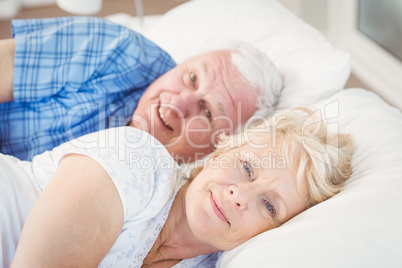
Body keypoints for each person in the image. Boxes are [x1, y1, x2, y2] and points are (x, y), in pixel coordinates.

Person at [1, 107, 353, 267]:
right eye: (246, 167)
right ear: (222, 150)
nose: (239, 196)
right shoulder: (139, 161)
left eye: (270, 206)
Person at [0, 16, 283, 163]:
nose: (180, 102)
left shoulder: (179, 198)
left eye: (208, 111)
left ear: (218, 147)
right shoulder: (118, 50)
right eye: (193, 78)